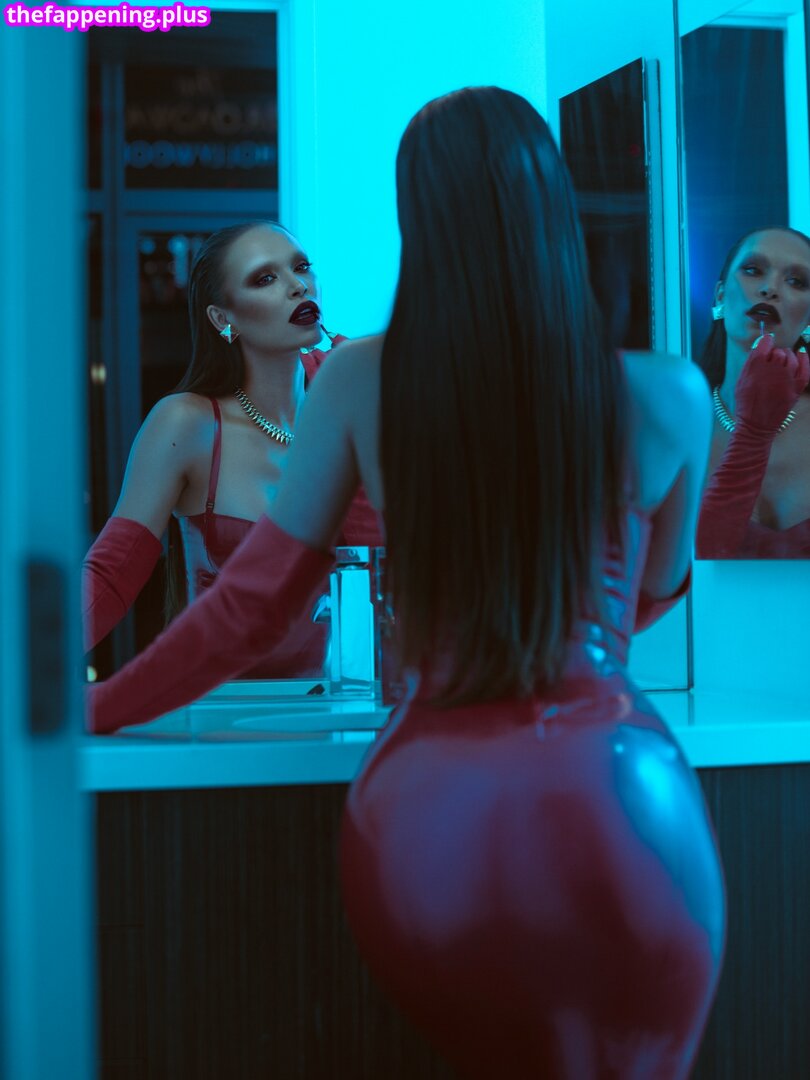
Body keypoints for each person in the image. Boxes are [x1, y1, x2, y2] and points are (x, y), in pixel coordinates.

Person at [88, 88, 725, 1077]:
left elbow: (246, 610)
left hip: (436, 811)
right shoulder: (672, 392)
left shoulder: (359, 381)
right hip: (627, 801)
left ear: (419, 218)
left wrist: (90, 711)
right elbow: (655, 592)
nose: (295, 282)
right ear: (554, 203)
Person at [83, 220, 381, 676]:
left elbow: (398, 568)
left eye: (302, 267)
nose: (298, 286)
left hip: (326, 707)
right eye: (265, 278)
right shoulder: (186, 422)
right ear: (224, 320)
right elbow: (111, 575)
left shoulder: (349, 403)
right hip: (214, 704)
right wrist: (24, 668)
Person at [695, 227, 810, 558]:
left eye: (796, 281)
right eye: (753, 270)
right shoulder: (680, 423)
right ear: (720, 296)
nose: (770, 288)